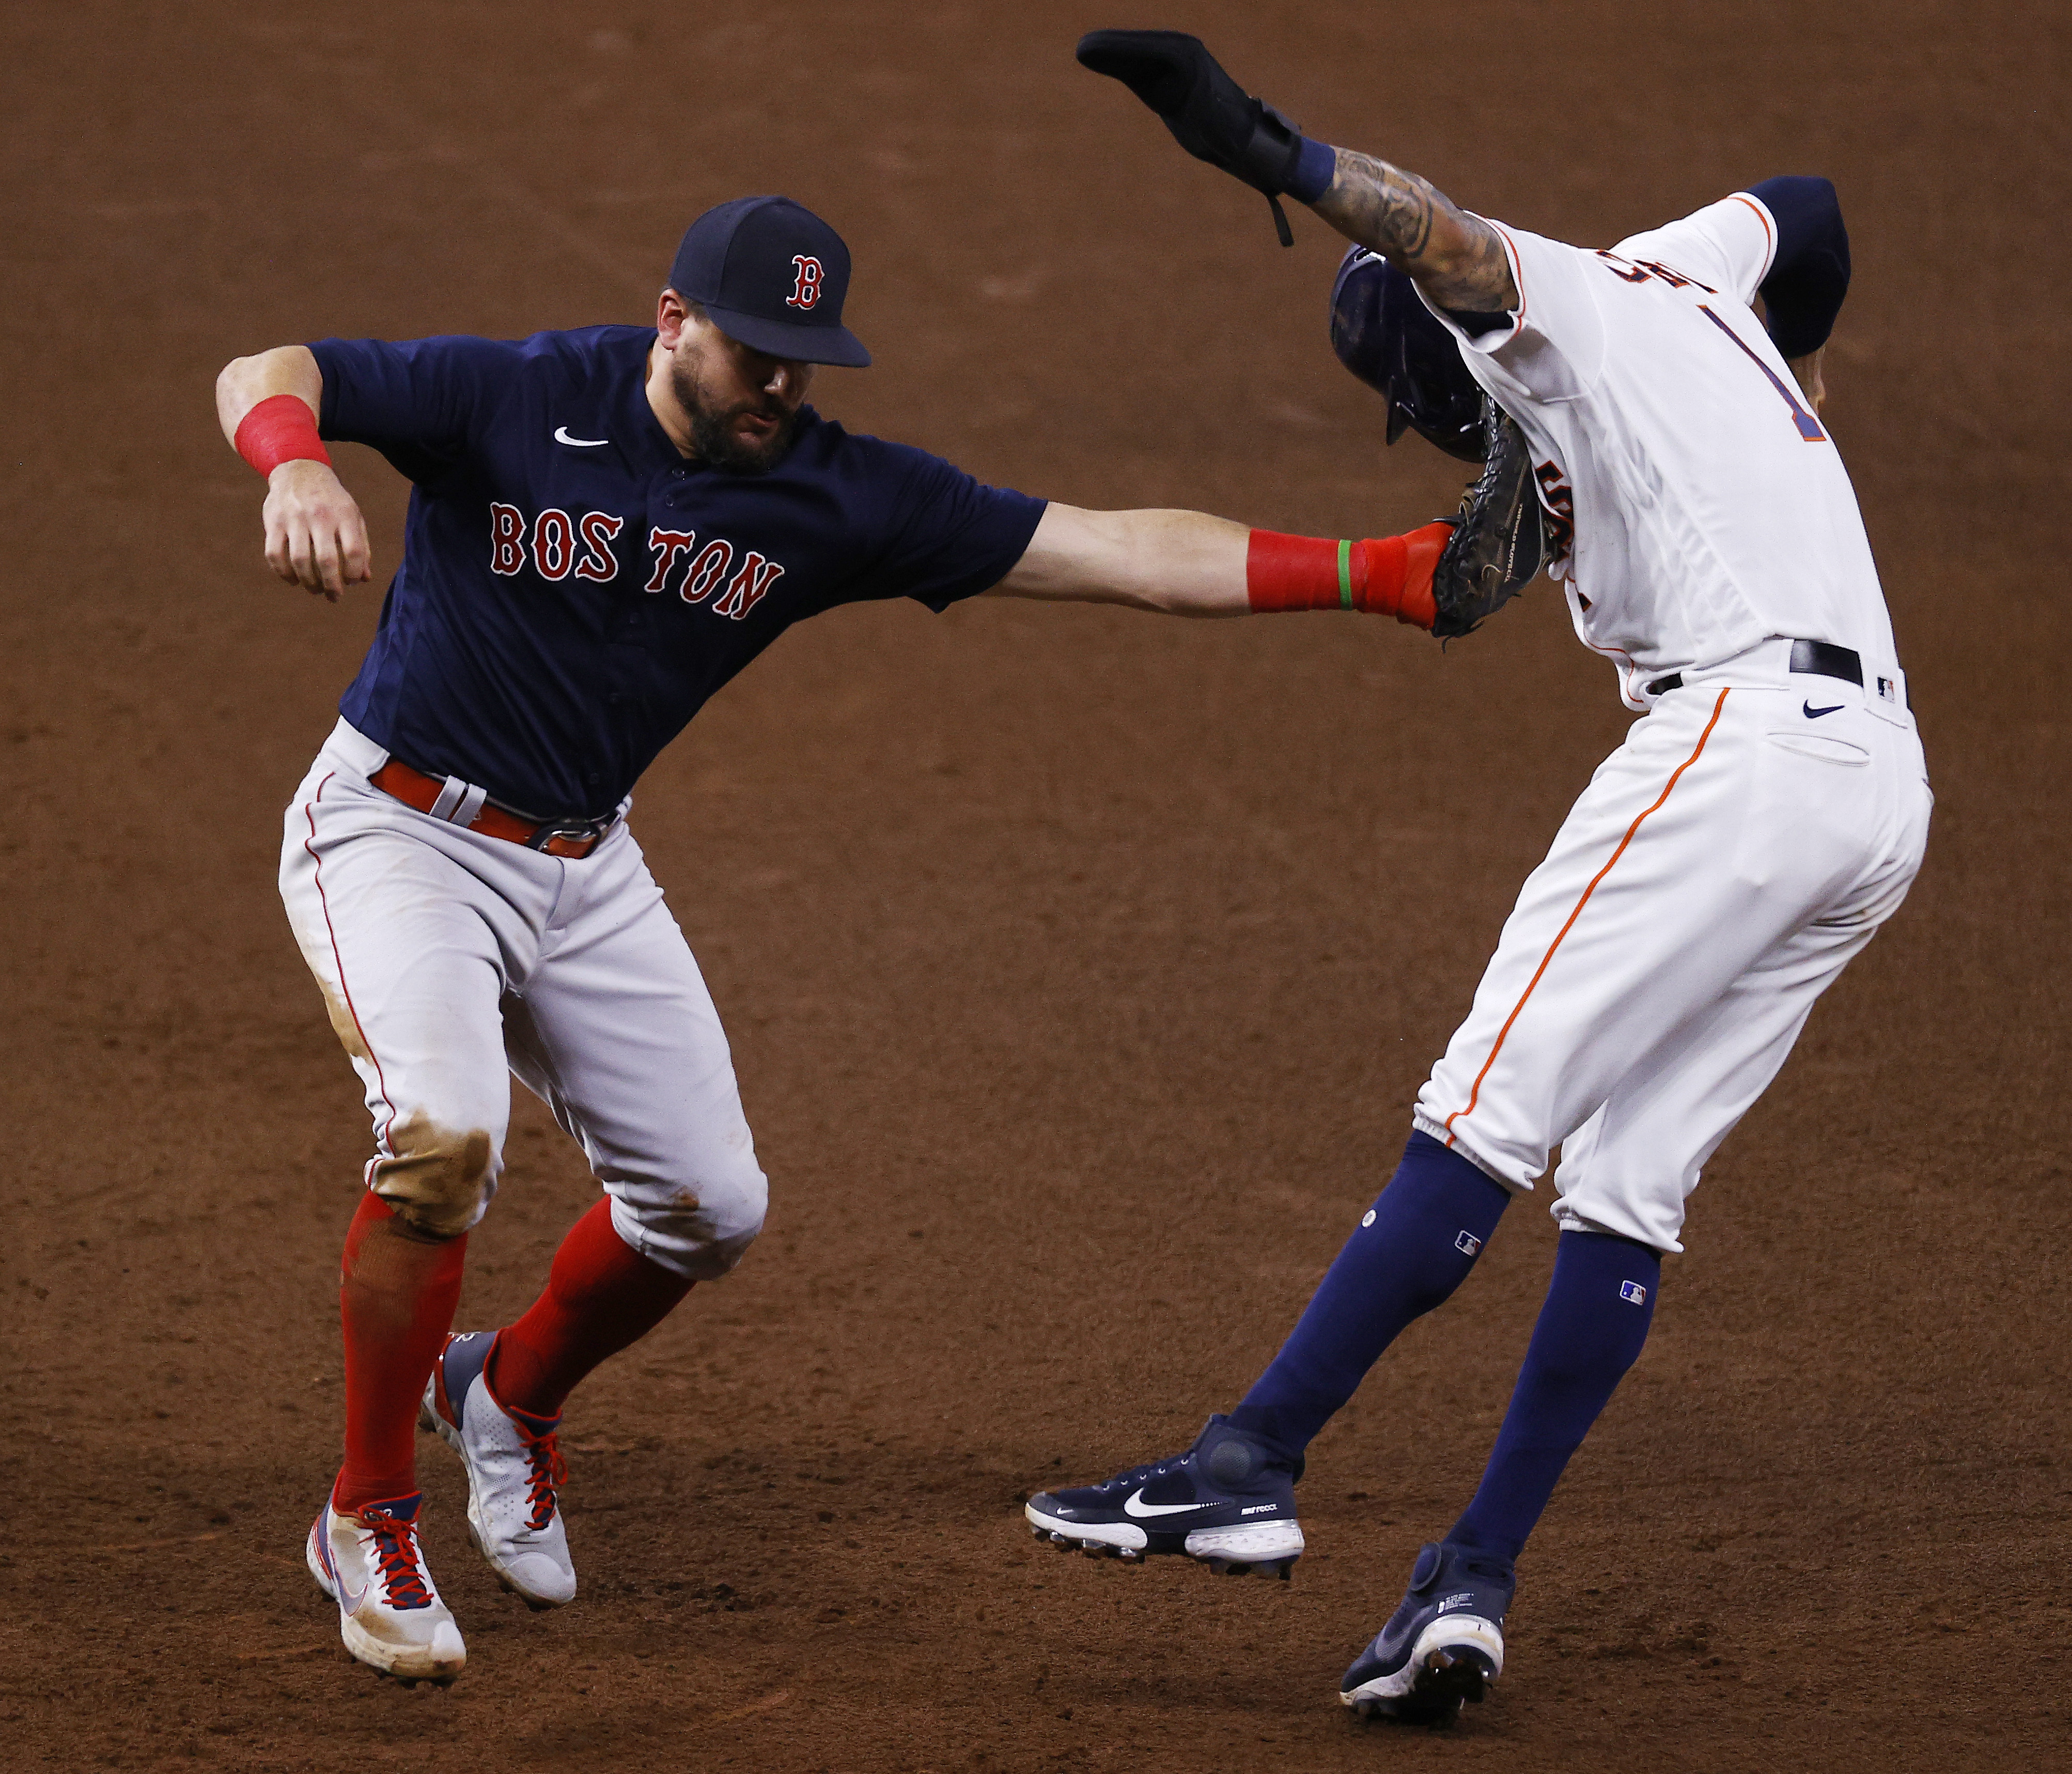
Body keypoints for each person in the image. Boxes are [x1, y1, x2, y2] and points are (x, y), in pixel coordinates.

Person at [216, 192, 1462, 1684]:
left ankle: (509, 1393)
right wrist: (293, 467)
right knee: (443, 1139)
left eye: (808, 361)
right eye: (759, 354)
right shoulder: (516, 391)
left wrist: (1380, 571)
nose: (784, 389)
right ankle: (366, 1512)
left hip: (581, 861)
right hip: (399, 831)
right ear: (673, 322)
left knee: (709, 1209)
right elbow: (270, 366)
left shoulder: (826, 492)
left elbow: (1122, 550)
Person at [1028, 33, 1931, 1724]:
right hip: (1878, 792)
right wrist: (1786, 378)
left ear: (1444, 368)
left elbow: (1433, 233)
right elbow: (1801, 210)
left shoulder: (1534, 315)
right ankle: (1469, 1582)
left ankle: (1248, 1456)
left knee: (1482, 1110)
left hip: (1734, 747)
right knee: (1626, 1187)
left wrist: (1261, 153)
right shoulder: (1683, 275)